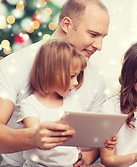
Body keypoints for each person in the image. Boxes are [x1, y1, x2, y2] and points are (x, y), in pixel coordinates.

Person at [0, 0, 110, 166]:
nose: (99, 46)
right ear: (66, 24)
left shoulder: (96, 78)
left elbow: (94, 138)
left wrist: (87, 158)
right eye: (93, 34)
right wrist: (33, 137)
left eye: (103, 37)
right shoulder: (14, 66)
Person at [18, 38, 87, 166]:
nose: (76, 82)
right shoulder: (30, 105)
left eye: (77, 76)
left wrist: (100, 141)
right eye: (72, 76)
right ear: (51, 72)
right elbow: (37, 138)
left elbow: (81, 141)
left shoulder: (72, 101)